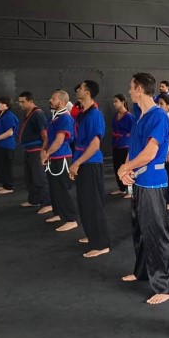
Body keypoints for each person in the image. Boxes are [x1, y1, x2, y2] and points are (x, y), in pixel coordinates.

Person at [118, 72, 169, 305]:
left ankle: (166, 286)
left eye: (132, 87)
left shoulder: (158, 117)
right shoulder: (140, 116)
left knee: (156, 234)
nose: (130, 91)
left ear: (140, 89)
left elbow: (150, 153)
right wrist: (128, 170)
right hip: (140, 182)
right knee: (140, 230)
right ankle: (142, 270)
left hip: (153, 183)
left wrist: (125, 167)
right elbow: (136, 150)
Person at [70, 80, 110, 258]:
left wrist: (77, 163)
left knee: (93, 204)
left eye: (81, 87)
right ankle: (92, 234)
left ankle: (101, 244)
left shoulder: (95, 115)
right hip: (81, 161)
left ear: (87, 92)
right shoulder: (82, 113)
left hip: (90, 163)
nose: (77, 89)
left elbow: (94, 144)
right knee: (84, 203)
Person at [41, 90, 79, 232]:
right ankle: (59, 213)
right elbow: (47, 138)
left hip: (62, 157)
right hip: (52, 157)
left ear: (61, 102)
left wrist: (47, 153)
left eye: (54, 98)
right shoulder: (54, 118)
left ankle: (71, 219)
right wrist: (43, 151)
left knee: (63, 189)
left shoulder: (65, 118)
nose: (51, 100)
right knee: (54, 188)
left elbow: (59, 140)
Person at [17, 91, 52, 213]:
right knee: (29, 178)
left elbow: (44, 134)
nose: (20, 104)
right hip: (28, 150)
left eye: (23, 102)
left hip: (36, 150)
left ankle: (47, 203)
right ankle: (34, 200)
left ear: (31, 101)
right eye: (19, 101)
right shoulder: (27, 113)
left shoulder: (38, 114)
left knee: (39, 178)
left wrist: (45, 152)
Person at [0, 96, 19, 195]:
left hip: (7, 146)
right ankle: (4, 184)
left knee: (6, 167)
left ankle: (9, 187)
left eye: (2, 103)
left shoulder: (9, 116)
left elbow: (9, 132)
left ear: (8, 105)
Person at [111, 94, 134, 197]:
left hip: (125, 146)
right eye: (114, 101)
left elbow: (134, 132)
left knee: (126, 168)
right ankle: (122, 188)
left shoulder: (129, 116)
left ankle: (130, 190)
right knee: (117, 167)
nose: (114, 103)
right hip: (116, 144)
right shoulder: (116, 115)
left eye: (116, 101)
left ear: (122, 102)